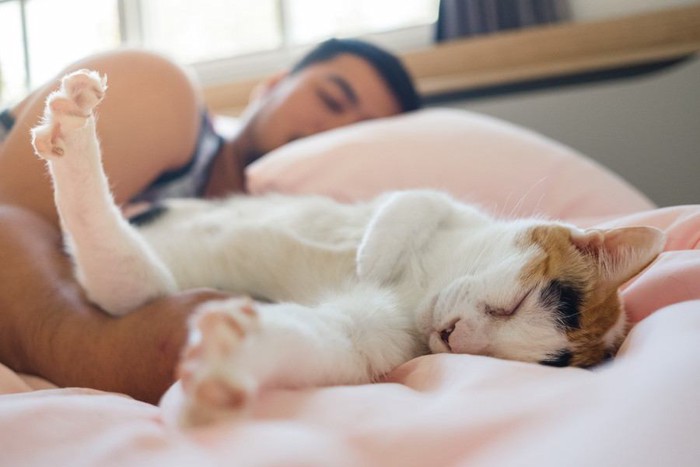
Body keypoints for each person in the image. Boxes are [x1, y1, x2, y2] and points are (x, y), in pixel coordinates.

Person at [0, 39, 420, 403]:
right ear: (272, 85)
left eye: (361, 133)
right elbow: (7, 214)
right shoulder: (164, 97)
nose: (335, 131)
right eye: (330, 100)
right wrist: (104, 349)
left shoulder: (276, 254)